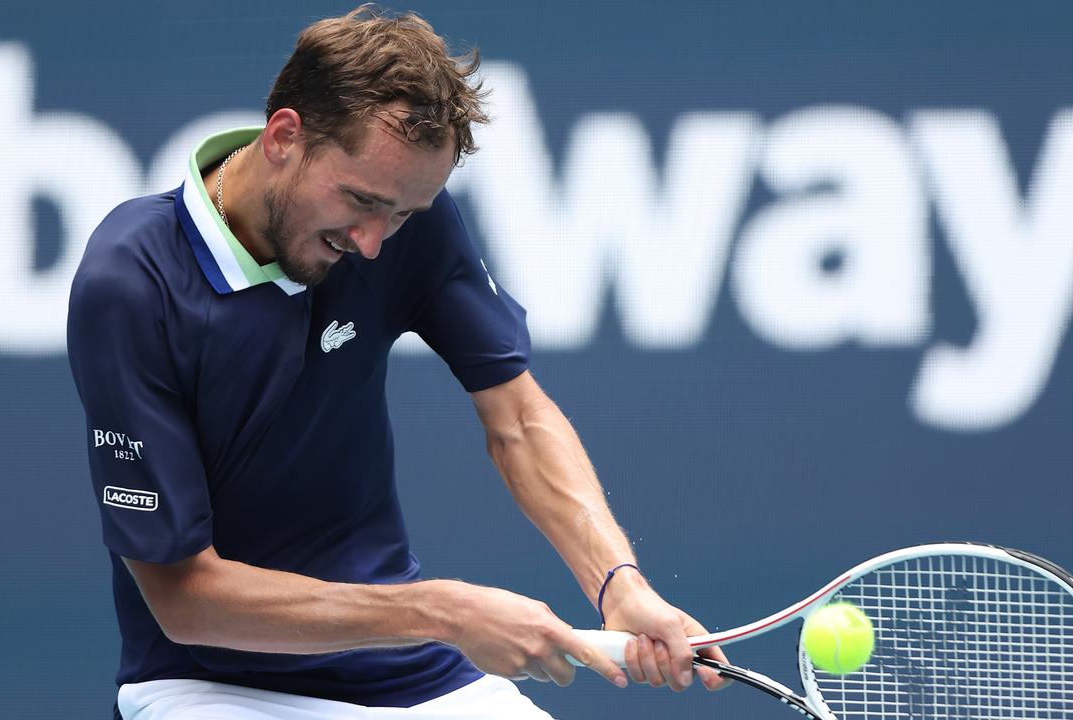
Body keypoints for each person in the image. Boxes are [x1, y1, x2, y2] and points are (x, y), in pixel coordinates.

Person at [68, 6, 728, 718]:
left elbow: (518, 417)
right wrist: (440, 612)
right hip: (206, 685)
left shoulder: (400, 218)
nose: (375, 241)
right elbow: (184, 601)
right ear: (285, 136)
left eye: (406, 214)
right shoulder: (134, 280)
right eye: (360, 200)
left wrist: (618, 584)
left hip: (411, 673)